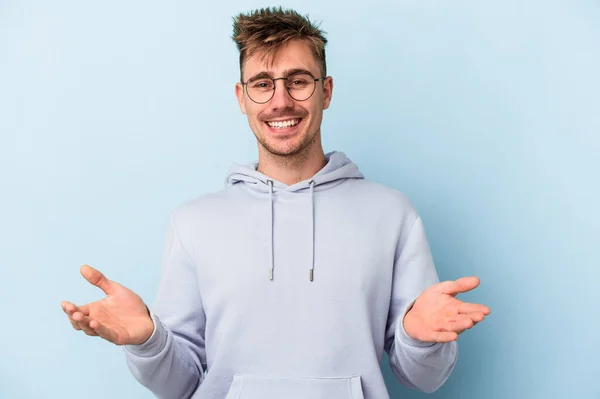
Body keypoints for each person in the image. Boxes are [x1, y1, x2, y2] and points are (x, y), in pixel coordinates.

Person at [61, 7, 490, 399]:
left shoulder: (393, 215)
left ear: (326, 91)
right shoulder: (194, 222)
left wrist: (418, 339)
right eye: (262, 85)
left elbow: (425, 378)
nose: (281, 100)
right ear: (241, 98)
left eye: (298, 81)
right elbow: (182, 384)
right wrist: (149, 341)